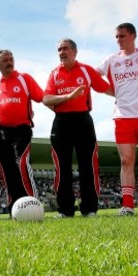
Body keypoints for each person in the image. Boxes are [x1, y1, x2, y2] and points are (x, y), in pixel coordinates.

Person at [97, 23, 138, 216]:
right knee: (126, 160)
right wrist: (114, 92)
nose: (118, 40)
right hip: (123, 116)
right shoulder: (112, 60)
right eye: (116, 37)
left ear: (133, 36)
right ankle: (127, 205)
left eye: (122, 36)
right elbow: (93, 77)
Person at [43, 39, 111, 217]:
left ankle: (89, 209)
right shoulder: (54, 74)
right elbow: (47, 99)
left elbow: (105, 88)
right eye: (59, 49)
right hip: (61, 121)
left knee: (87, 165)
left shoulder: (86, 70)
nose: (61, 52)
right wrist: (68, 96)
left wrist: (129, 97)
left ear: (74, 51)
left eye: (65, 48)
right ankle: (65, 210)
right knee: (62, 167)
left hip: (83, 121)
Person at [0, 50, 43, 209]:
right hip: (2, 133)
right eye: (5, 60)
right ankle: (15, 205)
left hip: (22, 129)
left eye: (11, 59)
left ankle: (32, 202)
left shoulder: (24, 78)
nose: (9, 62)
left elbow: (42, 97)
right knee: (7, 170)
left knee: (21, 163)